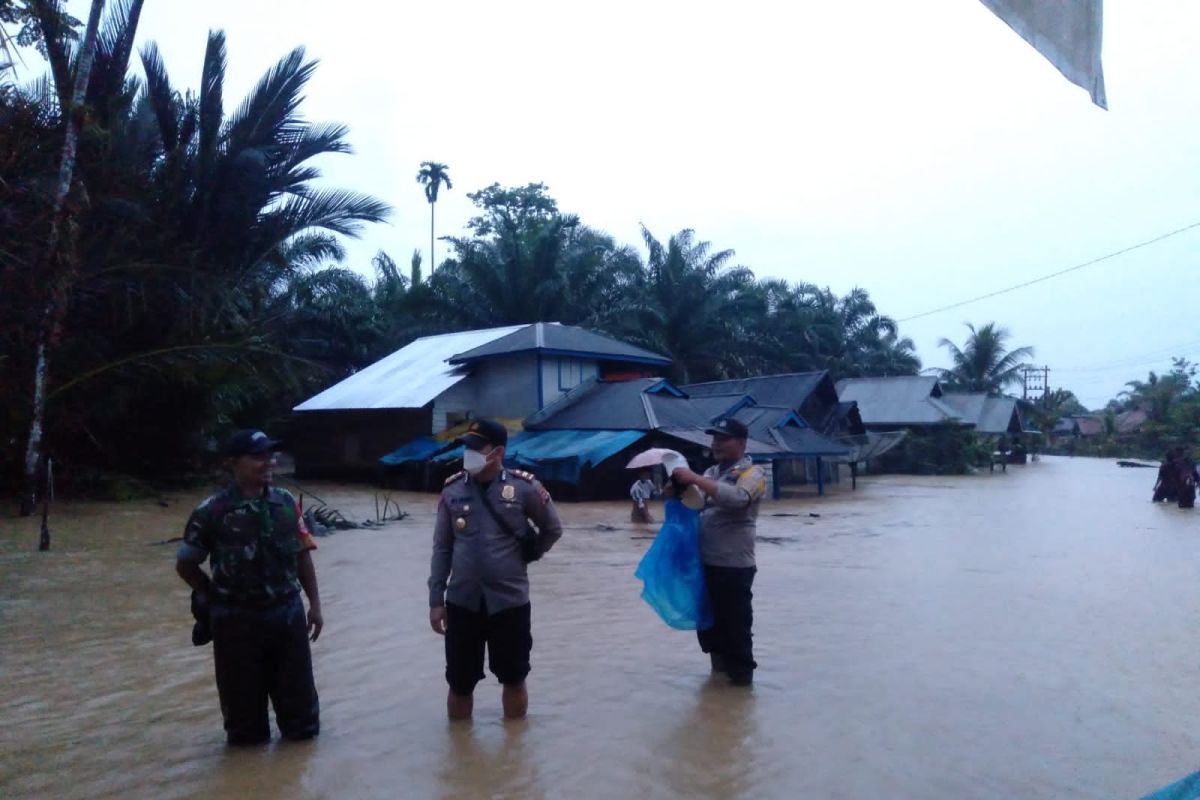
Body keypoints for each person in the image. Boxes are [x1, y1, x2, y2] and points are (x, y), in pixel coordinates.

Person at [175, 429, 323, 745]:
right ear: (234, 463)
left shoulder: (285, 503)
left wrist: (315, 606)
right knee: (245, 730)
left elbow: (302, 556)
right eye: (258, 456)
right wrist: (215, 597)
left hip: (287, 616)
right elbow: (185, 565)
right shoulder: (211, 511)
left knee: (303, 725)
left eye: (270, 454)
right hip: (236, 623)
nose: (268, 462)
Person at [428, 419, 563, 721]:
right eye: (466, 447)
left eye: (476, 448)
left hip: (510, 602)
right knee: (459, 683)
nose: (468, 453)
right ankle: (461, 752)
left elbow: (552, 529)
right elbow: (442, 549)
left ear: (498, 451)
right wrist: (436, 600)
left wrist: (529, 555)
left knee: (514, 678)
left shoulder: (524, 488)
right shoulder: (452, 490)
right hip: (462, 602)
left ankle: (513, 750)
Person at [667, 418, 767, 686]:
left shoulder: (754, 473)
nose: (717, 444)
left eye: (724, 439)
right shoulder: (711, 472)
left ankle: (741, 692)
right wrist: (679, 489)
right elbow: (695, 502)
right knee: (710, 631)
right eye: (714, 439)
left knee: (736, 632)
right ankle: (719, 688)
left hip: (734, 568)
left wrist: (695, 478)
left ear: (742, 443)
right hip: (705, 565)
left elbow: (738, 499)